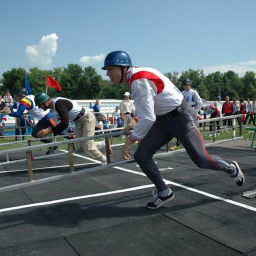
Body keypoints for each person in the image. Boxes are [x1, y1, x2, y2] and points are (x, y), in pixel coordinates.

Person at [102, 50, 245, 210]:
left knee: (201, 160)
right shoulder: (136, 76)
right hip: (163, 120)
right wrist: (135, 120)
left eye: (110, 69)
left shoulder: (138, 79)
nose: (107, 74)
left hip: (182, 119)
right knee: (142, 156)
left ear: (123, 67)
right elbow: (151, 105)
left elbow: (148, 117)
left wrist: (130, 140)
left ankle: (230, 168)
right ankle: (164, 192)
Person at [34, 92, 112, 164]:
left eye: (39, 105)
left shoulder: (58, 104)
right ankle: (102, 143)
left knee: (88, 146)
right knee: (80, 147)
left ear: (46, 102)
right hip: (78, 121)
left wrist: (49, 131)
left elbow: (65, 123)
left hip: (86, 118)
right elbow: (60, 123)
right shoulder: (54, 108)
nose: (39, 107)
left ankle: (105, 160)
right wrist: (48, 131)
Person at [3, 88, 63, 154]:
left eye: (18, 95)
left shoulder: (24, 101)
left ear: (22, 96)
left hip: (49, 116)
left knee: (61, 132)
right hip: (44, 118)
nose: (17, 97)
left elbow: (18, 114)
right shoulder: (30, 96)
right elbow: (14, 107)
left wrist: (9, 113)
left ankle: (74, 139)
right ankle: (51, 144)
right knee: (35, 133)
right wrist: (9, 109)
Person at [171, 79, 202, 150]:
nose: (186, 86)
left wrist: (196, 111)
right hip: (184, 111)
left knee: (192, 128)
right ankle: (178, 144)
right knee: (181, 127)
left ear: (189, 85)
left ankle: (197, 145)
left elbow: (199, 102)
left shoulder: (194, 92)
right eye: (184, 85)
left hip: (191, 110)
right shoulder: (182, 93)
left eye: (187, 85)